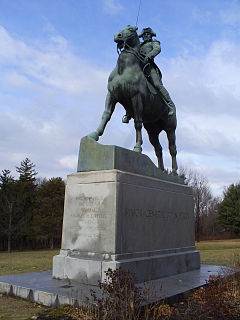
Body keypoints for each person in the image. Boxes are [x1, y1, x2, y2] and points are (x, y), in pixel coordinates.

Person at [122, 27, 175, 123]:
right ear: (142, 37)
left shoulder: (154, 43)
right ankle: (128, 113)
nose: (146, 36)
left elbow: (157, 49)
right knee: (129, 88)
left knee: (157, 85)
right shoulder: (139, 45)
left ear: (151, 35)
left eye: (148, 34)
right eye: (144, 35)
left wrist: (149, 55)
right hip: (139, 69)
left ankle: (170, 105)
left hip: (149, 67)